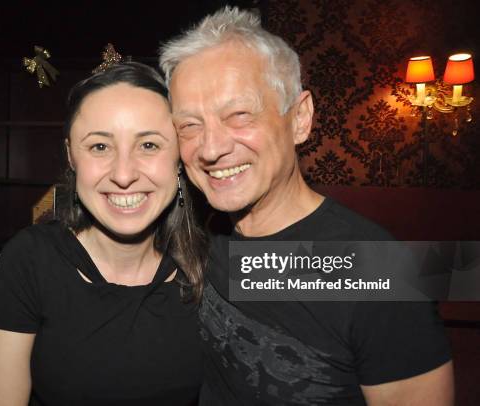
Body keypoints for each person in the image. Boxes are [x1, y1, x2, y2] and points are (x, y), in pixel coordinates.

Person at [160, 7, 454, 405]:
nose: (211, 148)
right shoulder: (200, 233)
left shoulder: (375, 269)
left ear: (300, 118)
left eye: (240, 115)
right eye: (189, 125)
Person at [0, 61, 205, 406]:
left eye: (149, 145)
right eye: (100, 146)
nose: (124, 174)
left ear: (179, 158)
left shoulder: (215, 263)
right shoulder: (30, 260)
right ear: (71, 155)